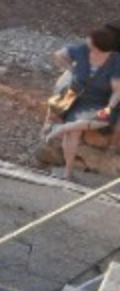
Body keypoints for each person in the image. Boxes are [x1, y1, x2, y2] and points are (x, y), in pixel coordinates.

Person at [45, 26, 120, 180]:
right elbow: (58, 55)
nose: (87, 40)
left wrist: (109, 108)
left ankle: (65, 127)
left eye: (90, 39)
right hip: (75, 97)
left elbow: (117, 91)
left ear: (98, 45)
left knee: (101, 120)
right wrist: (71, 69)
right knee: (72, 133)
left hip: (100, 101)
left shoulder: (116, 61)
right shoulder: (81, 50)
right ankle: (68, 172)